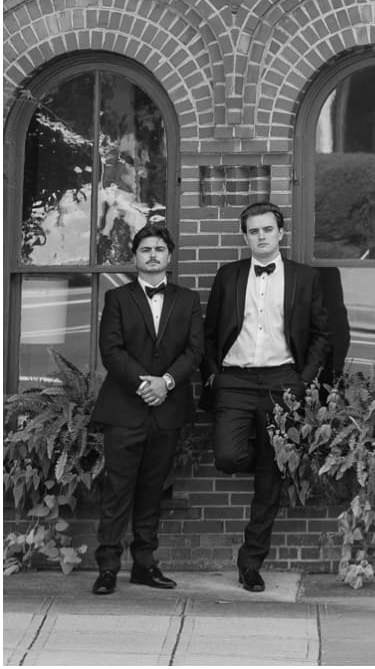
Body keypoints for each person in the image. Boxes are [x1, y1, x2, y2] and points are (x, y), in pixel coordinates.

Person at [203, 201, 329, 592]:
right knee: (227, 456)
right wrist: (214, 376)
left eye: (267, 229)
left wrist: (303, 380)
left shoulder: (305, 278)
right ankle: (261, 453)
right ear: (245, 237)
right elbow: (209, 332)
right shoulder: (228, 276)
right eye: (254, 231)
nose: (261, 236)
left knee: (270, 482)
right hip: (236, 382)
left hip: (282, 383)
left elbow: (322, 335)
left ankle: (251, 562)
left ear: (280, 233)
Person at [89, 220, 203, 596]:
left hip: (167, 410)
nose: (152, 255)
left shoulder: (187, 300)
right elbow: (112, 350)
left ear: (168, 257)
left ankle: (144, 564)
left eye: (159, 249)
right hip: (125, 409)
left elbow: (195, 351)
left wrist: (166, 383)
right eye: (145, 249)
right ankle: (107, 567)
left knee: (153, 490)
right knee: (118, 490)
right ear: (135, 257)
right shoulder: (118, 299)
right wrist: (145, 384)